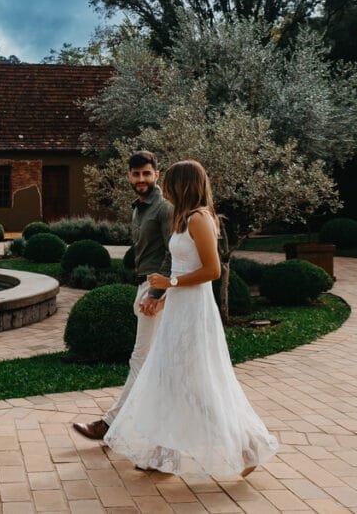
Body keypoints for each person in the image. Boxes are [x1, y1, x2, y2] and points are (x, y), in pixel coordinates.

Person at [103, 160, 277, 476]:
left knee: (195, 383)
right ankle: (161, 455)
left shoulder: (198, 218)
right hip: (178, 309)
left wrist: (167, 283)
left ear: (182, 185)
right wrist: (163, 297)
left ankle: (250, 445)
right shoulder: (182, 218)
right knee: (168, 379)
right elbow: (183, 267)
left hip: (194, 313)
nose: (164, 187)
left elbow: (213, 270)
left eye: (169, 182)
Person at [72, 150, 173, 440]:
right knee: (153, 364)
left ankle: (109, 424)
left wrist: (156, 293)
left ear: (156, 174)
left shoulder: (164, 209)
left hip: (156, 292)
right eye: (136, 174)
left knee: (140, 359)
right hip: (144, 287)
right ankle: (144, 429)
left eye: (146, 173)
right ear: (129, 176)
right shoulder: (138, 208)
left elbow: (171, 252)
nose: (141, 179)